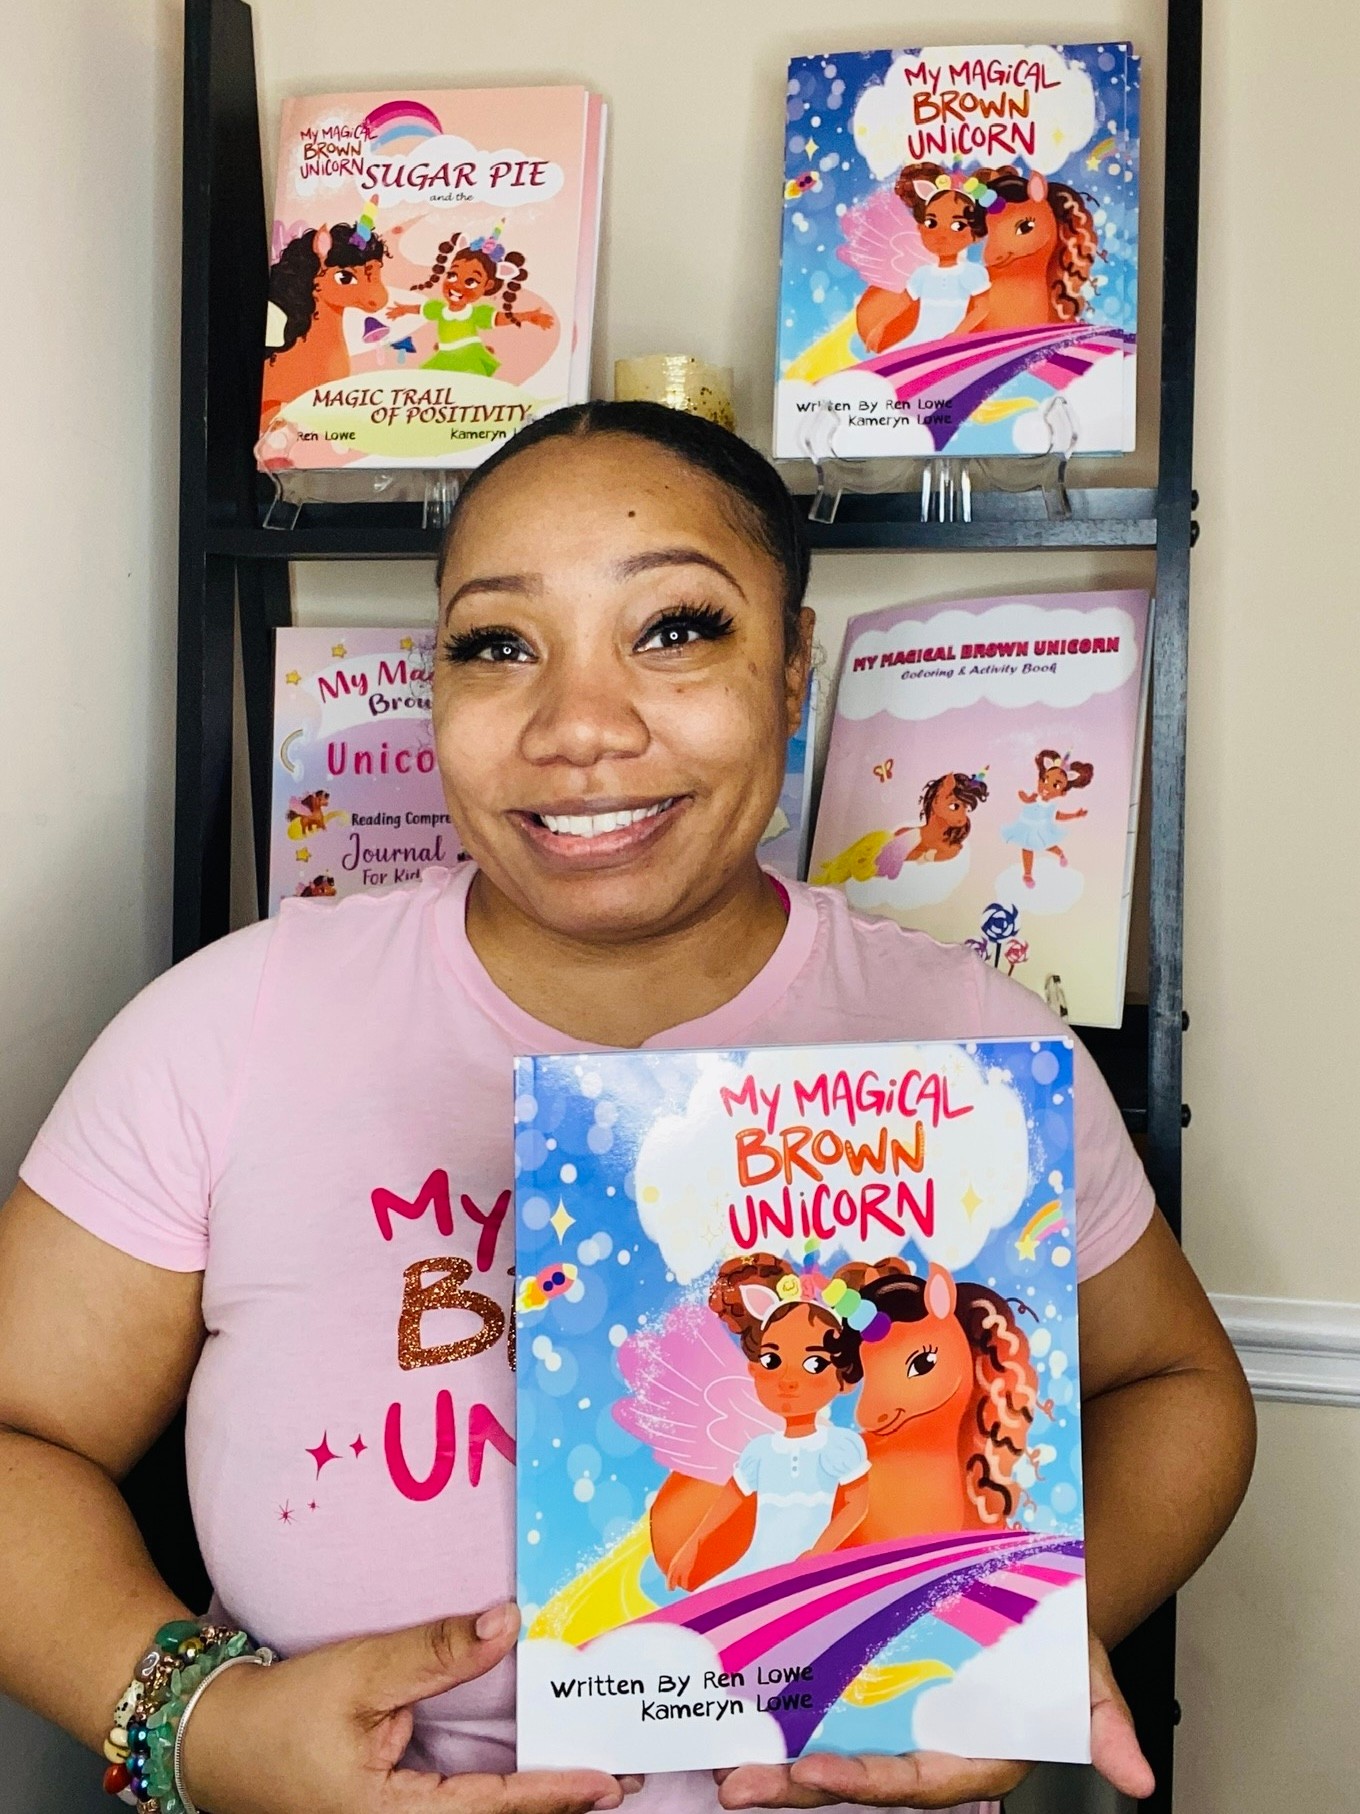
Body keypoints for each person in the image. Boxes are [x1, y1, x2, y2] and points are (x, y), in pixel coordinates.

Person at [0, 401, 1254, 1814]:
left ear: (793, 671)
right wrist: (200, 1723)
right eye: (497, 644)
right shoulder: (228, 1025)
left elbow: (1179, 1389)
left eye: (675, 629)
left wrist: (1028, 1627)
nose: (579, 728)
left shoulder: (975, 1044)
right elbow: (17, 1436)